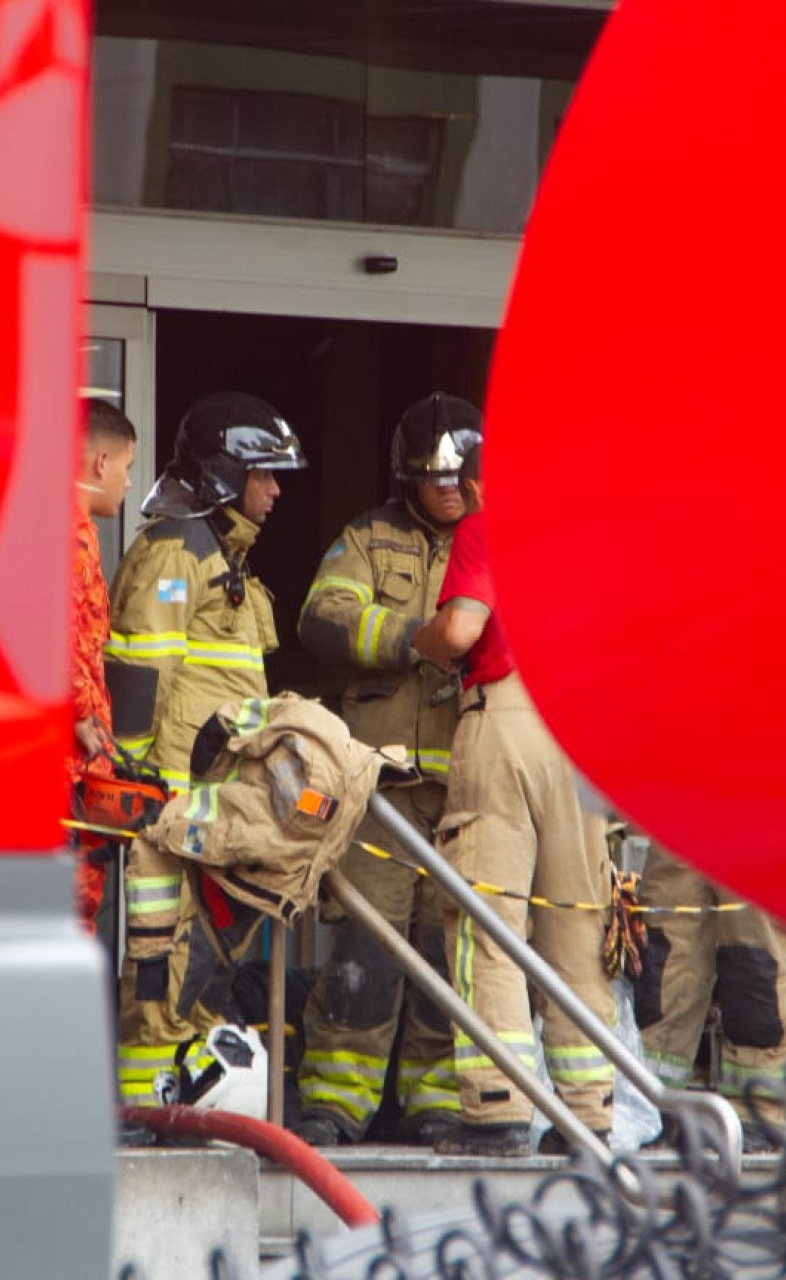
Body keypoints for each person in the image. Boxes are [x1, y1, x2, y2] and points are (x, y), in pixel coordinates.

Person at [411, 441, 617, 1156]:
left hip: (508, 719)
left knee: (487, 916)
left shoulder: (487, 526)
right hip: (584, 734)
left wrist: (424, 639)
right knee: (577, 921)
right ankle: (589, 1110)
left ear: (478, 483)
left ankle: (497, 1108)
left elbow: (463, 628)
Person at [105, 390, 307, 1109]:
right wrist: (131, 774)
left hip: (207, 804)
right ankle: (148, 1109)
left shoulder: (221, 555)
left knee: (198, 967)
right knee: (162, 962)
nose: (276, 491)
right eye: (265, 475)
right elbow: (138, 672)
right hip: (166, 804)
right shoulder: (175, 551)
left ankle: (179, 1104)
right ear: (227, 473)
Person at [292, 393, 480, 1147]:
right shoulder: (369, 537)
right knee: (366, 945)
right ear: (405, 477)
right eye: (430, 476)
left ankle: (436, 1100)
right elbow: (323, 617)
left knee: (446, 947)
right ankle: (337, 1100)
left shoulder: (500, 542)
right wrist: (415, 638)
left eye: (456, 475)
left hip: (467, 789)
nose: (445, 488)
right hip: (383, 791)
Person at [633, 843, 786, 1150]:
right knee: (668, 956)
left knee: (755, 959)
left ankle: (760, 1112)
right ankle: (653, 1101)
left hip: (763, 810)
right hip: (679, 807)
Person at [69, 397, 138, 927]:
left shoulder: (77, 532)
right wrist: (80, 711)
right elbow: (55, 634)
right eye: (127, 468)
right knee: (68, 907)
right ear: (100, 464)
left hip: (79, 760)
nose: (128, 483)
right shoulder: (67, 535)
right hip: (65, 763)